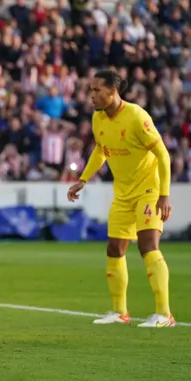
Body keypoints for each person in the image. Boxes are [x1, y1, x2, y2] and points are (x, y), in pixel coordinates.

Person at [67, 69, 174, 328]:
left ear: (113, 92)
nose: (91, 95)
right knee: (115, 248)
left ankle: (164, 314)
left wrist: (164, 195)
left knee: (148, 244)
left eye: (96, 90)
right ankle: (120, 312)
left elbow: (162, 154)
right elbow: (100, 151)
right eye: (90, 90)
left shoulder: (137, 116)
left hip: (148, 190)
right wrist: (83, 179)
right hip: (123, 193)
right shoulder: (98, 119)